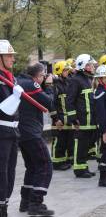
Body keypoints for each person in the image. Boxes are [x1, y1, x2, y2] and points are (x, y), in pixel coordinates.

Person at [17, 63, 54, 216]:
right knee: (45, 165)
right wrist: (50, 86)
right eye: (43, 76)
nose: (44, 78)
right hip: (31, 133)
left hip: (21, 132)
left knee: (32, 167)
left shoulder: (19, 81)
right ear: (37, 75)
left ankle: (25, 202)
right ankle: (36, 203)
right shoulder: (31, 84)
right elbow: (49, 102)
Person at [0, 40, 23, 216]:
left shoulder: (10, 78)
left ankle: (5, 203)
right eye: (8, 56)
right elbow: (4, 109)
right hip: (1, 131)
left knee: (11, 170)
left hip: (13, 131)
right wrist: (15, 97)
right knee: (2, 171)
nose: (12, 59)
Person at [66, 54, 97, 178]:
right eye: (90, 65)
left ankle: (84, 167)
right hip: (82, 120)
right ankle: (79, 169)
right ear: (83, 66)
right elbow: (70, 100)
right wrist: (73, 119)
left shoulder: (89, 79)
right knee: (81, 144)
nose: (93, 67)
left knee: (87, 145)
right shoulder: (76, 80)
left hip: (91, 120)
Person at [50, 61, 74, 170]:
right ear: (59, 71)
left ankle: (67, 160)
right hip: (59, 119)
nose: (67, 72)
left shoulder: (68, 83)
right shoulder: (55, 85)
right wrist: (55, 119)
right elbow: (51, 104)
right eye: (65, 70)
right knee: (59, 142)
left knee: (68, 142)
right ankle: (57, 163)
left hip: (68, 119)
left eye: (67, 70)